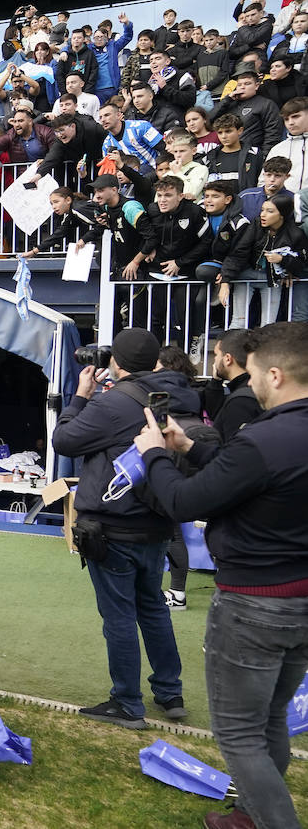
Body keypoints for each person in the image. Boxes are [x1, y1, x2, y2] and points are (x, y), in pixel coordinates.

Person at [132, 322, 308, 829]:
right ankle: (251, 817)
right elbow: (254, 477)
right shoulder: (268, 442)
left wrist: (154, 456)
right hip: (298, 601)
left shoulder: (266, 438)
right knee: (269, 717)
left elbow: (184, 501)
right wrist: (190, 449)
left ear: (274, 374)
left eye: (252, 373)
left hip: (254, 604)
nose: (248, 383)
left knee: (239, 734)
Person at [51, 328, 195, 730]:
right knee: (151, 607)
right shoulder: (175, 395)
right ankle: (170, 692)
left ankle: (127, 702)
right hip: (158, 520)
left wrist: (80, 396)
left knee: (119, 616)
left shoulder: (114, 402)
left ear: (117, 361)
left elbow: (65, 439)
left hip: (115, 526)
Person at [211, 329, 264, 443]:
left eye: (216, 355)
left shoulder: (241, 401)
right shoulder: (254, 389)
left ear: (228, 359)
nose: (214, 360)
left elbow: (236, 451)